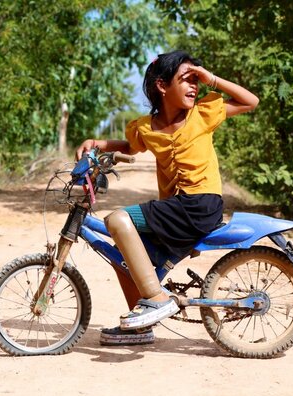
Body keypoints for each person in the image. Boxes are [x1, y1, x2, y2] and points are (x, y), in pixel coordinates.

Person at [75, 50, 259, 346]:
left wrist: (211, 78)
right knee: (123, 259)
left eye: (197, 80)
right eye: (187, 79)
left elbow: (251, 101)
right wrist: (97, 144)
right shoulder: (147, 127)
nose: (195, 86)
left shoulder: (202, 113)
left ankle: (158, 298)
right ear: (162, 86)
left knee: (116, 220)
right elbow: (131, 147)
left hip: (201, 204)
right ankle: (140, 326)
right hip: (176, 209)